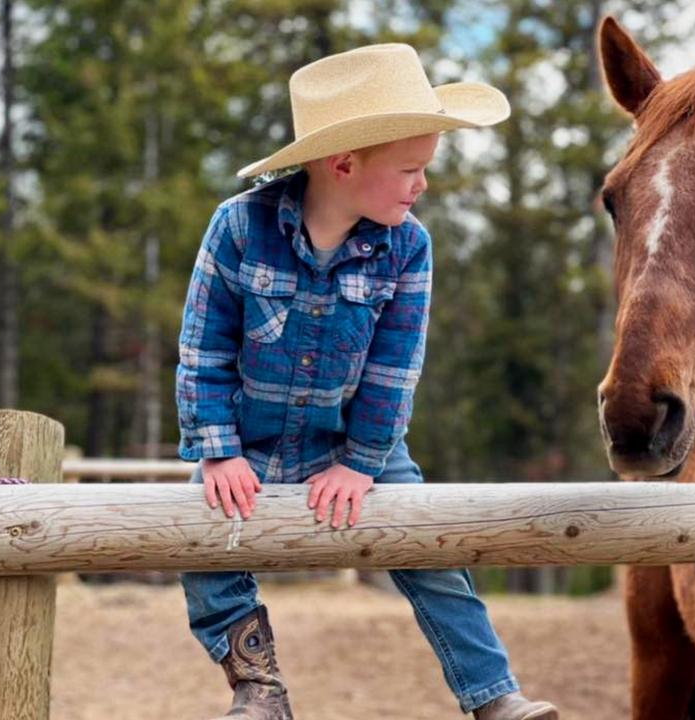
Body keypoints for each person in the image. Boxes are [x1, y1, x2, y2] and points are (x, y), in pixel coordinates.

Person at [175, 42, 559, 720]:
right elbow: (202, 350)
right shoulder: (238, 227)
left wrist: (360, 464)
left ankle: (494, 697)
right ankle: (257, 686)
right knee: (203, 541)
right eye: (411, 169)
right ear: (344, 163)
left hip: (355, 443)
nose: (423, 186)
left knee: (429, 545)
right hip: (247, 440)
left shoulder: (409, 247)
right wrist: (219, 450)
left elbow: (392, 373)